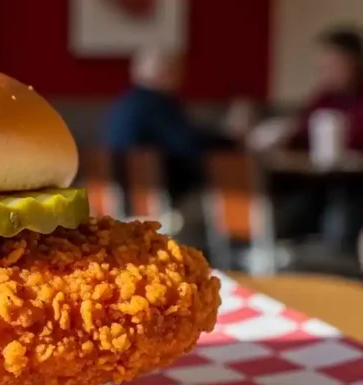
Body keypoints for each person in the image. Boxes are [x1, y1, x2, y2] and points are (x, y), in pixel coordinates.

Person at [101, 47, 246, 248]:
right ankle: (234, 247)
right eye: (176, 70)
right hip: (159, 196)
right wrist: (232, 140)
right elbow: (190, 146)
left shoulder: (123, 103)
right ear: (166, 73)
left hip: (121, 196)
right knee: (231, 177)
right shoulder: (156, 104)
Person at [249, 27, 363, 255]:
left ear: (354, 62)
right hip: (317, 183)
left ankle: (337, 259)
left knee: (342, 205)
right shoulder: (324, 96)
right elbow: (300, 132)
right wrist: (284, 133)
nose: (326, 73)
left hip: (355, 184)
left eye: (333, 65)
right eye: (322, 67)